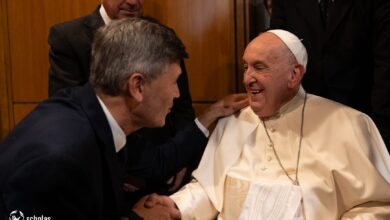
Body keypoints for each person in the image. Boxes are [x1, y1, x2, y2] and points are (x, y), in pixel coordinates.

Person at [0, 18, 246, 220]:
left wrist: (211, 113)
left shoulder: (103, 117)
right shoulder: (58, 159)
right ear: (137, 86)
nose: (177, 94)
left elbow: (159, 162)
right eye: (173, 82)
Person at [147, 30, 390, 219]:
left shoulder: (348, 123)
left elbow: (376, 206)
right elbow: (208, 191)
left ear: (294, 74)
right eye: (245, 67)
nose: (246, 78)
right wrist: (176, 205)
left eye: (259, 67)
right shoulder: (234, 121)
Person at [47, 0, 226, 198]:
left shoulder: (162, 36)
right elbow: (72, 119)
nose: (132, 2)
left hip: (165, 174)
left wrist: (180, 159)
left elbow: (181, 106)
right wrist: (117, 170)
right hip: (109, 181)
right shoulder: (69, 37)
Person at [269, 0, 390, 150]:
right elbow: (276, 47)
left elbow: (386, 63)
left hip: (360, 114)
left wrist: (380, 128)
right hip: (302, 116)